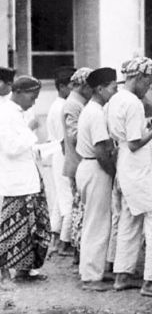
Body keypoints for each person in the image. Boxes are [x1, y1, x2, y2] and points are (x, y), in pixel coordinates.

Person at [107, 57, 152, 298]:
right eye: (148, 81)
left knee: (130, 220)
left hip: (126, 165)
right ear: (140, 77)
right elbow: (135, 143)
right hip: (136, 167)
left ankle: (122, 275)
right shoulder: (132, 103)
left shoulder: (116, 99)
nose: (148, 87)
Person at [0, 76, 50, 285]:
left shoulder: (18, 113)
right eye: (32, 96)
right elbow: (11, 148)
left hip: (27, 179)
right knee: (15, 229)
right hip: (17, 183)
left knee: (32, 227)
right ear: (18, 92)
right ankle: (7, 269)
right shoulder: (6, 114)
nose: (34, 101)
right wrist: (30, 131)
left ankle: (24, 269)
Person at [76, 68, 118, 291]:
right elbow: (101, 151)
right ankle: (91, 277)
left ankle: (93, 271)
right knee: (97, 223)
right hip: (95, 167)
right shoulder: (96, 113)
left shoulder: (92, 109)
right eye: (112, 87)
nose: (115, 91)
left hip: (89, 166)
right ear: (100, 89)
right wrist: (114, 173)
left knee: (95, 221)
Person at [62, 67, 94, 258]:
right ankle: (79, 252)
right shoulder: (74, 104)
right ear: (82, 85)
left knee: (81, 209)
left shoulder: (78, 102)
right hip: (78, 163)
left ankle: (79, 251)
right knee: (81, 210)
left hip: (78, 162)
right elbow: (74, 134)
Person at [46, 67, 76, 257]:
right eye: (72, 86)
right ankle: (65, 241)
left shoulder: (58, 105)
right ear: (63, 86)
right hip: (62, 152)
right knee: (68, 199)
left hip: (58, 153)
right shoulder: (62, 107)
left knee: (60, 198)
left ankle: (57, 237)